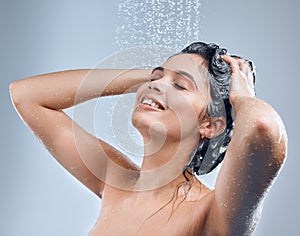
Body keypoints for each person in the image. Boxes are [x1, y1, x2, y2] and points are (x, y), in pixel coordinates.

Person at [10, 42, 287, 235]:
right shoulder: (115, 182)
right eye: (155, 78)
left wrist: (241, 97)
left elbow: (262, 127)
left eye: (181, 85)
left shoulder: (214, 214)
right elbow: (26, 95)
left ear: (210, 125)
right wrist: (155, 78)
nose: (156, 85)